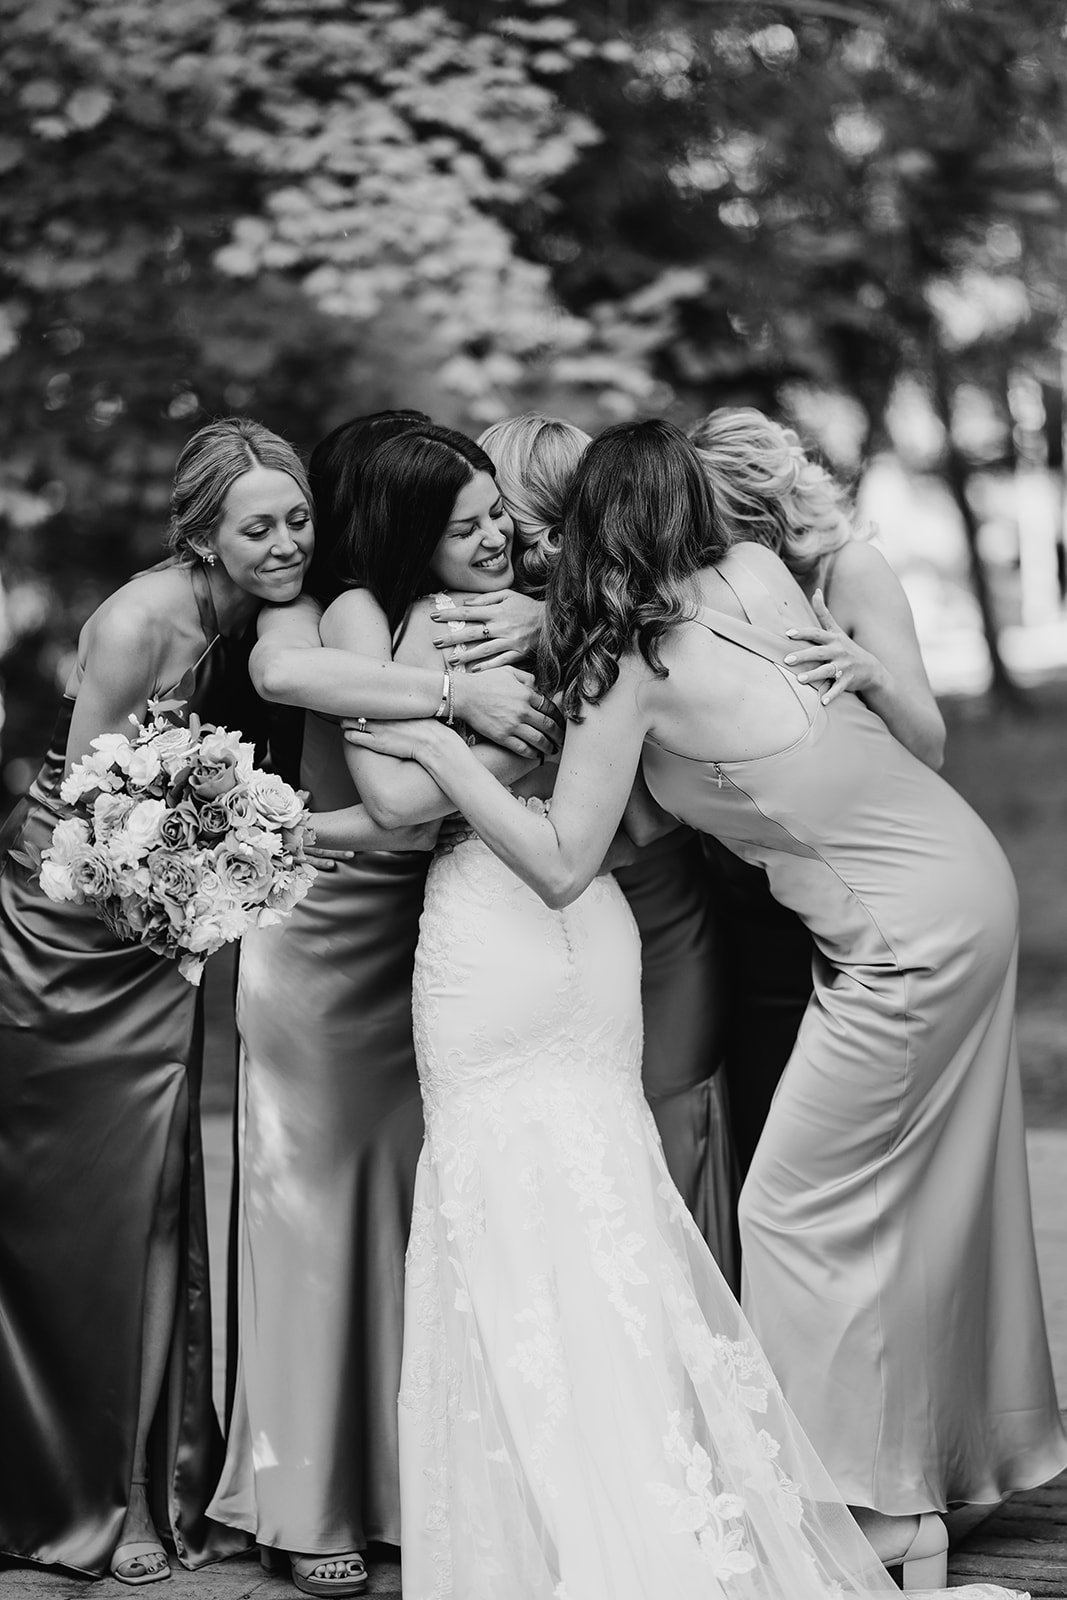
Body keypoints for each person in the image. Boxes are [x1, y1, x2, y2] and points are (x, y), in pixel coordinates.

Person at [347, 417, 1066, 1597]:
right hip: (950, 877)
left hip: (904, 939)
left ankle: (859, 1504)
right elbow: (654, 805)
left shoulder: (627, 664)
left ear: (585, 531)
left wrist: (442, 748)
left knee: (788, 1207)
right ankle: (919, 1473)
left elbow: (565, 860)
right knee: (910, 1197)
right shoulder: (754, 572)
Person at [209, 418, 558, 1597]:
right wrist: (467, 696)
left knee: (412, 1214)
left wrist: (531, 644)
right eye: (462, 518)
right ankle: (302, 1497)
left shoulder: (470, 602)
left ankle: (409, 1483)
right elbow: (376, 780)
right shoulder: (332, 609)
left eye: (492, 511)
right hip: (323, 942)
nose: (492, 533)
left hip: (423, 936)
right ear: (405, 525)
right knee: (314, 1216)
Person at [0, 418, 315, 1583]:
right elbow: (84, 826)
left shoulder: (271, 615)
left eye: (297, 519)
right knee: (81, 1217)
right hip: (70, 938)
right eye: (258, 528)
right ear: (201, 534)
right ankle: (73, 1494)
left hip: (172, 926)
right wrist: (197, 892)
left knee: (168, 1206)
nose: (285, 544)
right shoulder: (137, 623)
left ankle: (154, 1488)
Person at [473, 413, 735, 1277]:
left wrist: (552, 620)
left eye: (542, 529)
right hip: (537, 919)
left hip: (654, 901)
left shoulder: (644, 614)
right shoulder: (485, 621)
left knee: (670, 1115)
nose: (524, 551)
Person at [688, 407, 946, 1172]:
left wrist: (869, 673)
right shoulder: (707, 584)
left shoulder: (847, 570)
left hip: (858, 881)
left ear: (759, 508)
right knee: (762, 1103)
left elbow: (929, 745)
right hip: (748, 881)